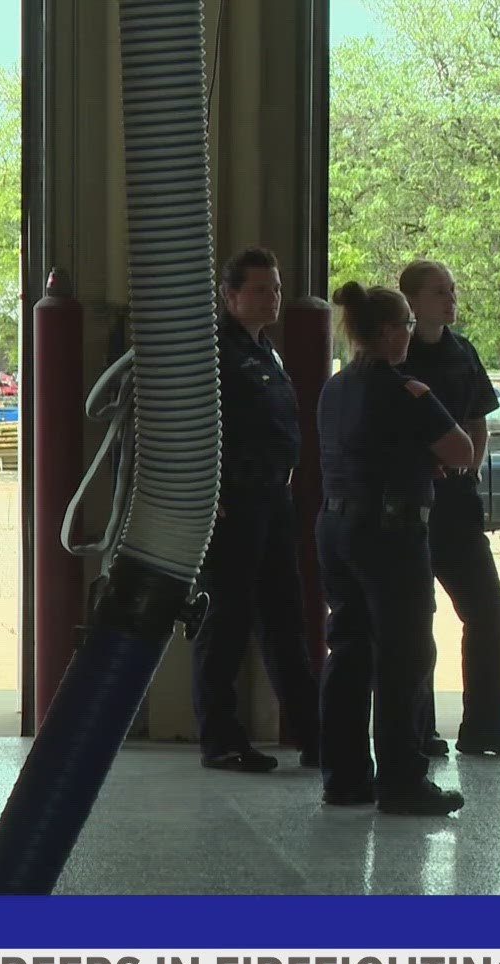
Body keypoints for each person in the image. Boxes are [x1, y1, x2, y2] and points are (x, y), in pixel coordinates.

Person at [315, 281, 471, 814]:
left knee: (350, 649)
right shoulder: (407, 390)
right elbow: (462, 450)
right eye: (405, 324)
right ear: (385, 333)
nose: (409, 334)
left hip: (336, 527)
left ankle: (344, 776)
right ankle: (402, 780)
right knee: (404, 657)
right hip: (390, 534)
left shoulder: (334, 389)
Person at [190, 247, 321, 772]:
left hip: (272, 500)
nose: (273, 299)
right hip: (232, 505)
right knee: (225, 624)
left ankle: (315, 735)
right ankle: (220, 740)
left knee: (285, 621)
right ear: (230, 295)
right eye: (261, 290)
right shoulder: (214, 355)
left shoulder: (267, 351)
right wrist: (209, 493)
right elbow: (193, 430)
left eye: (277, 289)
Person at [397, 260, 500, 758]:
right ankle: (420, 730)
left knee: (487, 610)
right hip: (408, 506)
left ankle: (485, 726)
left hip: (457, 505)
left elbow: (478, 420)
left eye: (453, 291)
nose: (451, 300)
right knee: (416, 619)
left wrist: (469, 466)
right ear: (411, 302)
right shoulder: (396, 354)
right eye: (440, 293)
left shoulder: (462, 351)